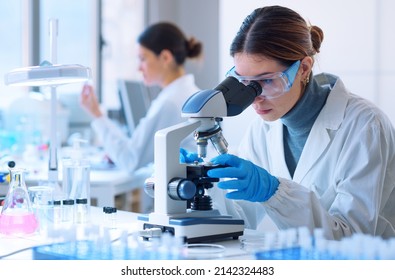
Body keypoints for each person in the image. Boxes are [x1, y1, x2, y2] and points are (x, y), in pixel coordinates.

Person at [187, 5, 395, 241]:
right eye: (243, 82)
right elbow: (239, 220)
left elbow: (351, 239)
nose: (253, 97)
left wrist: (275, 193)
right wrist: (204, 183)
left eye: (265, 81)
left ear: (303, 68)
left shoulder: (365, 126)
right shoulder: (263, 129)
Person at [80, 22, 203, 172]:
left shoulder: (171, 102)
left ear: (165, 57)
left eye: (143, 58)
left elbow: (130, 160)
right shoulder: (187, 93)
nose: (139, 67)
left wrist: (97, 115)